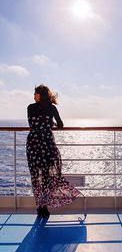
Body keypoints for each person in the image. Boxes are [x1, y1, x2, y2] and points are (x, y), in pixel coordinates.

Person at [26, 84, 82, 216]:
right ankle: (45, 207)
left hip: (33, 143)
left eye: (35, 94)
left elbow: (33, 124)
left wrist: (44, 124)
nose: (33, 96)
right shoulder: (52, 108)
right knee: (46, 175)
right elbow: (61, 125)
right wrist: (51, 124)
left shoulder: (30, 108)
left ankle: (39, 206)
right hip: (47, 143)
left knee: (35, 175)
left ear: (39, 95)